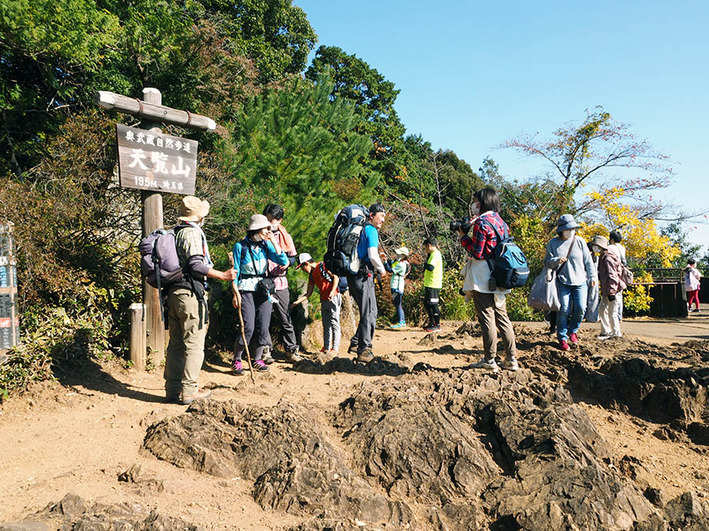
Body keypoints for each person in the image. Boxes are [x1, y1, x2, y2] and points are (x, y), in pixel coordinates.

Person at [164, 196, 237, 405]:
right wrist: (223, 275)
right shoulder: (192, 233)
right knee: (195, 343)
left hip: (174, 293)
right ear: (200, 217)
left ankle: (172, 389)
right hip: (190, 294)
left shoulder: (176, 232)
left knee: (176, 343)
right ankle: (189, 390)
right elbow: (196, 265)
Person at [459, 188, 518, 372]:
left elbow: (477, 252)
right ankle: (511, 359)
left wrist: (463, 237)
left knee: (487, 318)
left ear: (482, 202)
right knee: (503, 318)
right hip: (500, 275)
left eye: (475, 201)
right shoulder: (502, 222)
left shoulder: (482, 223)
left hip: (483, 276)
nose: (474, 204)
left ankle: (490, 360)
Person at [231, 214, 289, 375]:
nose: (267, 232)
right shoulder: (240, 247)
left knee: (263, 325)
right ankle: (237, 359)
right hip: (246, 289)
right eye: (265, 229)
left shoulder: (265, 245)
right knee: (248, 325)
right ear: (256, 229)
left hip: (263, 290)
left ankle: (257, 359)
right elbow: (235, 272)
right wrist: (235, 293)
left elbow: (283, 261)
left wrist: (274, 242)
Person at [544, 214, 597, 351]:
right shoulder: (553, 243)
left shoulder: (580, 241)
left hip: (580, 281)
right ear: (562, 229)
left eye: (573, 228)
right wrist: (556, 260)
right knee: (564, 309)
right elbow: (547, 262)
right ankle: (562, 337)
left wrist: (592, 277)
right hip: (562, 281)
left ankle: (573, 330)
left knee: (581, 307)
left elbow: (588, 261)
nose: (572, 231)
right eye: (569, 228)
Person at [347, 203, 387, 362]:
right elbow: (372, 254)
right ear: (371, 215)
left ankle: (357, 343)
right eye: (381, 215)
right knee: (369, 312)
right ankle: (364, 349)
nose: (383, 220)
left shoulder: (362, 229)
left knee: (370, 310)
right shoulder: (370, 230)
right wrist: (382, 270)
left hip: (354, 276)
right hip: (363, 275)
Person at [263, 204, 301, 362]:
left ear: (280, 220)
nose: (271, 222)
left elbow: (293, 257)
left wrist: (288, 263)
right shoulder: (260, 234)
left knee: (285, 317)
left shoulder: (286, 236)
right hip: (263, 281)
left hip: (280, 281)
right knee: (263, 318)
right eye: (268, 218)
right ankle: (265, 351)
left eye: (274, 219)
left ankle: (291, 350)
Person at [292, 253, 341, 356]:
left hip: (334, 296)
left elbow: (336, 277)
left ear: (307, 264)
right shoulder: (312, 275)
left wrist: (332, 291)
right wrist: (297, 302)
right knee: (326, 324)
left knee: (334, 322)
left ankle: (335, 348)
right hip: (324, 299)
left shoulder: (323, 265)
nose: (302, 270)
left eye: (302, 267)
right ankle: (326, 347)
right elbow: (308, 293)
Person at [593, 235, 626, 339]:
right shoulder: (603, 257)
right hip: (607, 289)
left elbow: (613, 276)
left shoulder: (607, 258)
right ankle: (606, 331)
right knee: (602, 310)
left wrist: (611, 292)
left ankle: (616, 333)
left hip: (613, 289)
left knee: (612, 312)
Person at [386, 246, 411, 329]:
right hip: (398, 283)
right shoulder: (401, 262)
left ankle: (401, 322)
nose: (397, 255)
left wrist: (385, 262)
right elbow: (392, 262)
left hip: (397, 284)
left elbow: (390, 269)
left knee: (398, 304)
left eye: (399, 254)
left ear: (403, 255)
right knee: (398, 304)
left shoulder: (402, 264)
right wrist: (387, 260)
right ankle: (402, 321)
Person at [422, 238, 443, 332]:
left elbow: (430, 267)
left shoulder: (435, 254)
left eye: (425, 247)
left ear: (429, 245)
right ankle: (432, 322)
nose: (425, 250)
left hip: (434, 283)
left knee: (433, 304)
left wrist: (424, 264)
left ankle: (437, 324)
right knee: (427, 303)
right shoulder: (432, 254)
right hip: (429, 283)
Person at [608, 231, 627, 321]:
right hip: (622, 273)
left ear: (611, 239)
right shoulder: (622, 248)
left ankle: (614, 316)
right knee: (620, 294)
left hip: (613, 271)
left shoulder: (610, 248)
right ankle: (619, 316)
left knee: (613, 294)